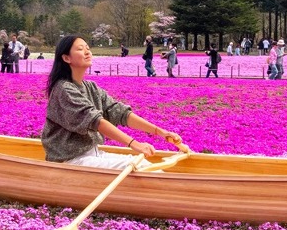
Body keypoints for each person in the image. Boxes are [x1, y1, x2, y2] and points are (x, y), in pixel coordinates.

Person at [41, 35, 182, 169]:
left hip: (93, 155)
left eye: (88, 48)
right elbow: (95, 121)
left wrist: (160, 132)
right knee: (139, 166)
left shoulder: (91, 87)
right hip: (69, 160)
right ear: (66, 58)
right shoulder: (63, 89)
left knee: (142, 164)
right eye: (80, 49)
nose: (87, 52)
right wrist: (134, 144)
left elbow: (119, 112)